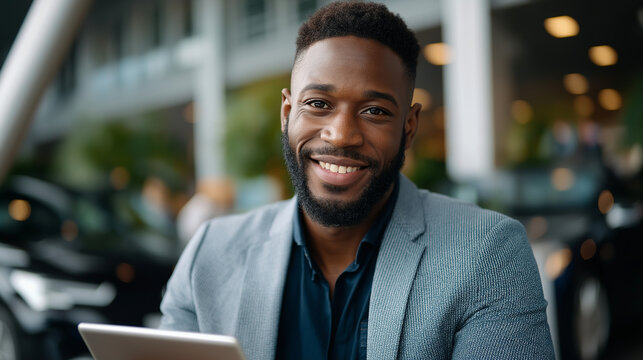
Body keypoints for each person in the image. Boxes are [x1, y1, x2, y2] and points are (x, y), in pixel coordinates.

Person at [159, 2, 555, 359]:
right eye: (318, 104)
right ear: (287, 112)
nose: (341, 134)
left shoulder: (488, 254)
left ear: (409, 127)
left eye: (375, 111)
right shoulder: (207, 257)